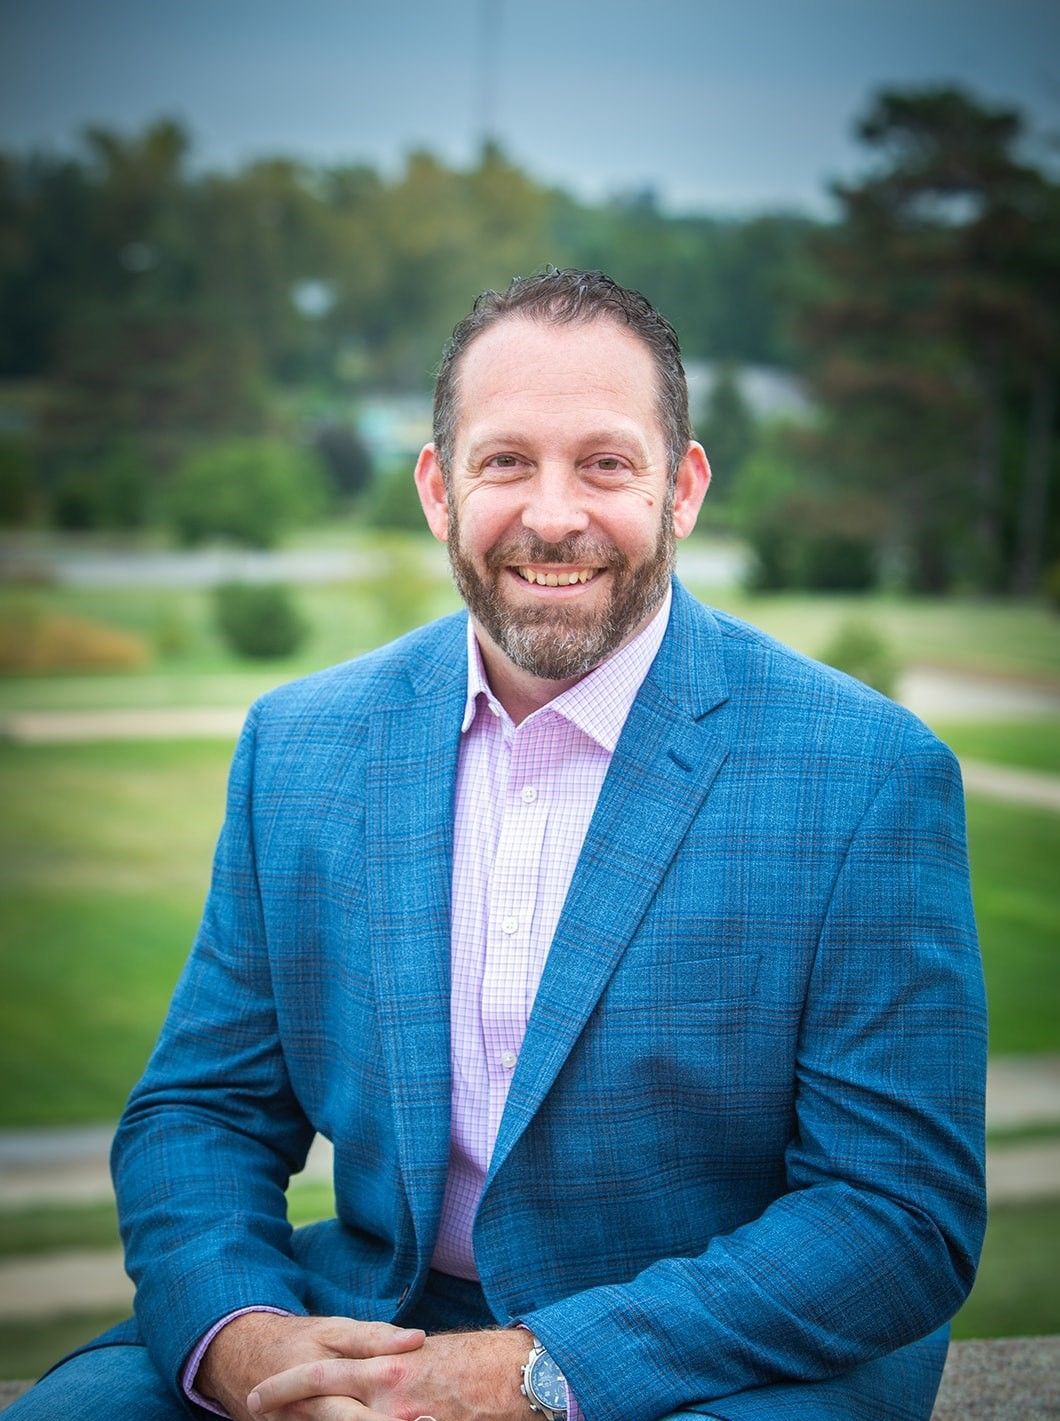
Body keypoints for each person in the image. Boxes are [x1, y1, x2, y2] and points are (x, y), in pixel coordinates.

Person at [9, 269, 986, 1421]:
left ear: (682, 487)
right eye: (506, 460)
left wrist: (537, 1370)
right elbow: (200, 1112)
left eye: (605, 463)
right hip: (376, 1315)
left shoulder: (865, 773)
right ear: (438, 487)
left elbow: (897, 1209)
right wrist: (247, 1341)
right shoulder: (299, 744)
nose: (553, 514)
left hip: (726, 1349)